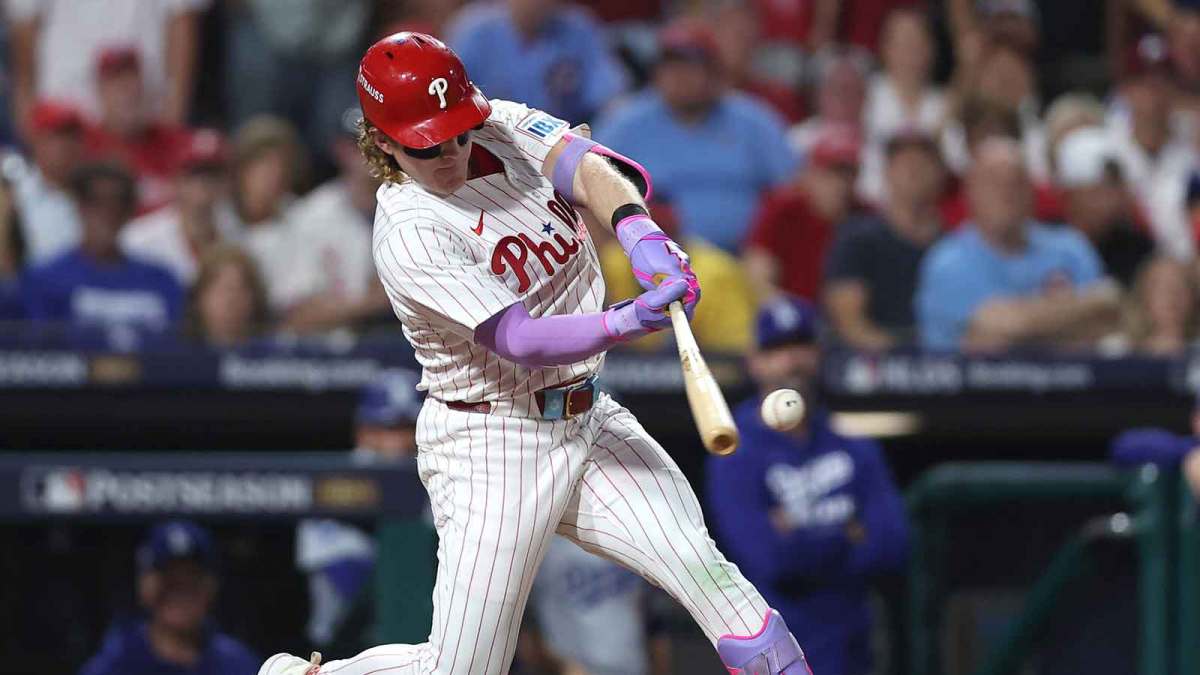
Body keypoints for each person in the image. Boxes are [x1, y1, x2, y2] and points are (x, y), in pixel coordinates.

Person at [259, 31, 813, 675]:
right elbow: (518, 339)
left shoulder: (493, 123)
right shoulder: (409, 232)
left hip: (587, 416)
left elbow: (588, 164)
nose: (452, 152)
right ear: (382, 144)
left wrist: (638, 231)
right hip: (492, 441)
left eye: (458, 133)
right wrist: (626, 320)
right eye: (428, 145)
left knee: (712, 580)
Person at [706, 295, 909, 675]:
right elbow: (768, 560)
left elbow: (891, 545)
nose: (791, 361)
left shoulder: (853, 442)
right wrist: (847, 533)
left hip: (853, 649)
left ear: (817, 352)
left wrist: (799, 532)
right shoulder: (733, 446)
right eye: (776, 349)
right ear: (755, 361)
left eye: (800, 345)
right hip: (776, 655)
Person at [595, 19, 798, 253]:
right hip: (652, 263)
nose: (679, 76)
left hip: (744, 264)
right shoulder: (625, 124)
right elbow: (587, 191)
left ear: (714, 73)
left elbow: (793, 190)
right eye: (670, 65)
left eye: (690, 66)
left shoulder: (752, 121)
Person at [916, 138, 1120, 352]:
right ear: (970, 192)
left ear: (1032, 190)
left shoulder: (1070, 247)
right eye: (994, 183)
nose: (1006, 193)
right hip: (978, 384)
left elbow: (1109, 308)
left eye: (1017, 182)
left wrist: (1021, 327)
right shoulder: (947, 261)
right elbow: (994, 331)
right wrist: (1073, 319)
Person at [296, 370, 423, 650]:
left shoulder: (442, 479)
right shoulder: (333, 485)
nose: (404, 440)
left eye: (411, 426)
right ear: (365, 433)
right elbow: (344, 588)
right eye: (391, 428)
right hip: (345, 645)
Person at [79, 520, 259, 675]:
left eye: (191, 581)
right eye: (170, 582)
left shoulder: (239, 665)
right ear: (144, 586)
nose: (180, 594)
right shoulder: (114, 665)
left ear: (211, 586)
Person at [20, 162, 183, 332]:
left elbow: (177, 346)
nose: (108, 211)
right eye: (96, 201)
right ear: (79, 206)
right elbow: (42, 349)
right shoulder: (46, 279)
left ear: (130, 210)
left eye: (119, 201)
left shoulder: (161, 279)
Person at [824, 129, 945, 350]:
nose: (913, 172)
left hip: (946, 361)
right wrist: (905, 358)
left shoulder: (952, 244)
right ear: (887, 172)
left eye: (923, 164)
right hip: (876, 364)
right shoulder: (858, 239)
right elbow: (850, 323)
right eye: (905, 164)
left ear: (940, 173)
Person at [6, 0, 206, 133]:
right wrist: (27, 108)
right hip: (64, 104)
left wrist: (174, 109)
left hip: (142, 106)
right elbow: (24, 22)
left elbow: (182, 16)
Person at [278, 108, 390, 333]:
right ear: (339, 151)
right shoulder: (311, 216)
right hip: (334, 360)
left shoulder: (416, 206)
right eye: (358, 144)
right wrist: (374, 301)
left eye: (378, 140)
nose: (369, 151)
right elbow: (295, 316)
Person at [600, 195, 756, 353]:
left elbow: (731, 355)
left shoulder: (718, 273)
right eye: (645, 243)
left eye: (662, 240)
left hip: (692, 361)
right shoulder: (612, 262)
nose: (654, 255)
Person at [446, 0, 627, 124]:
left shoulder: (578, 28)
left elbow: (609, 96)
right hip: (489, 137)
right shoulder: (476, 29)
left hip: (558, 143)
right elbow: (450, 95)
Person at [745, 123, 862, 303]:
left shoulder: (864, 214)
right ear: (809, 174)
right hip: (790, 314)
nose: (840, 184)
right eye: (829, 174)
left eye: (848, 175)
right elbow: (758, 272)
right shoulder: (784, 208)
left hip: (841, 318)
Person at [1109, 34, 1197, 261]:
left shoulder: (1193, 147)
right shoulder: (1106, 148)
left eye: (1163, 79)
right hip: (1128, 267)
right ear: (1125, 90)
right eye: (1144, 81)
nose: (1155, 90)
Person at [82, 47, 198, 213]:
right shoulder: (85, 146)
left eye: (132, 79)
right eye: (116, 81)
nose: (127, 90)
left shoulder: (175, 142)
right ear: (100, 91)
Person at [120, 129, 239, 287]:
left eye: (212, 176)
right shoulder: (138, 239)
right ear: (176, 182)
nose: (203, 187)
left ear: (227, 185)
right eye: (194, 176)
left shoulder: (242, 242)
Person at [859, 7, 945, 205]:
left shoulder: (942, 104)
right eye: (903, 42)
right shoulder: (865, 96)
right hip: (870, 202)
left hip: (929, 205)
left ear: (931, 50)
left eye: (917, 42)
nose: (910, 50)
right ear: (885, 48)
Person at [1055, 126, 1154, 288]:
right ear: (1070, 196)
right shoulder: (1043, 245)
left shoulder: (1138, 249)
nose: (1112, 202)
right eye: (1098, 192)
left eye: (1115, 189)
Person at [229, 115, 307, 312]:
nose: (274, 174)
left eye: (281, 165)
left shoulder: (303, 220)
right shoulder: (218, 218)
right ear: (241, 169)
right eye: (263, 163)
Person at [4, 99, 84, 265]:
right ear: (36, 140)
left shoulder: (93, 194)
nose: (66, 145)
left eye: (73, 137)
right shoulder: (14, 195)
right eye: (57, 136)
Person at [787, 48, 870, 161]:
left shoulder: (879, 143)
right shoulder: (797, 141)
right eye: (836, 88)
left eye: (852, 89)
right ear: (820, 94)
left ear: (864, 95)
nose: (844, 97)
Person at [183, 245, 270, 347]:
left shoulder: (276, 354)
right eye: (222, 290)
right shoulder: (174, 356)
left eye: (240, 290)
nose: (231, 300)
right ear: (200, 298)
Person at [1121, 255, 1199, 356]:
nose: (1172, 295)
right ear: (1143, 295)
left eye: (1180, 285)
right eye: (1161, 287)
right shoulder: (1119, 352)